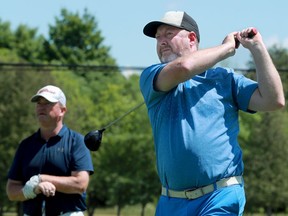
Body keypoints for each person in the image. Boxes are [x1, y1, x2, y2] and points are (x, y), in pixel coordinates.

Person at [140, 11, 285, 215]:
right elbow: (184, 67)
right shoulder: (151, 76)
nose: (161, 41)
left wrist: (257, 48)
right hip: (171, 201)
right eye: (158, 37)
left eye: (168, 34)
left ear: (191, 38)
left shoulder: (225, 78)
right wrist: (226, 48)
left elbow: (274, 100)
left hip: (220, 196)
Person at [6, 85, 94, 216]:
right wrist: (33, 189)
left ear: (62, 110)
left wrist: (42, 178)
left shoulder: (77, 141)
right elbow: (11, 191)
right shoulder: (25, 145)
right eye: (39, 103)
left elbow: (80, 184)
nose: (41, 107)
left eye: (48, 103)